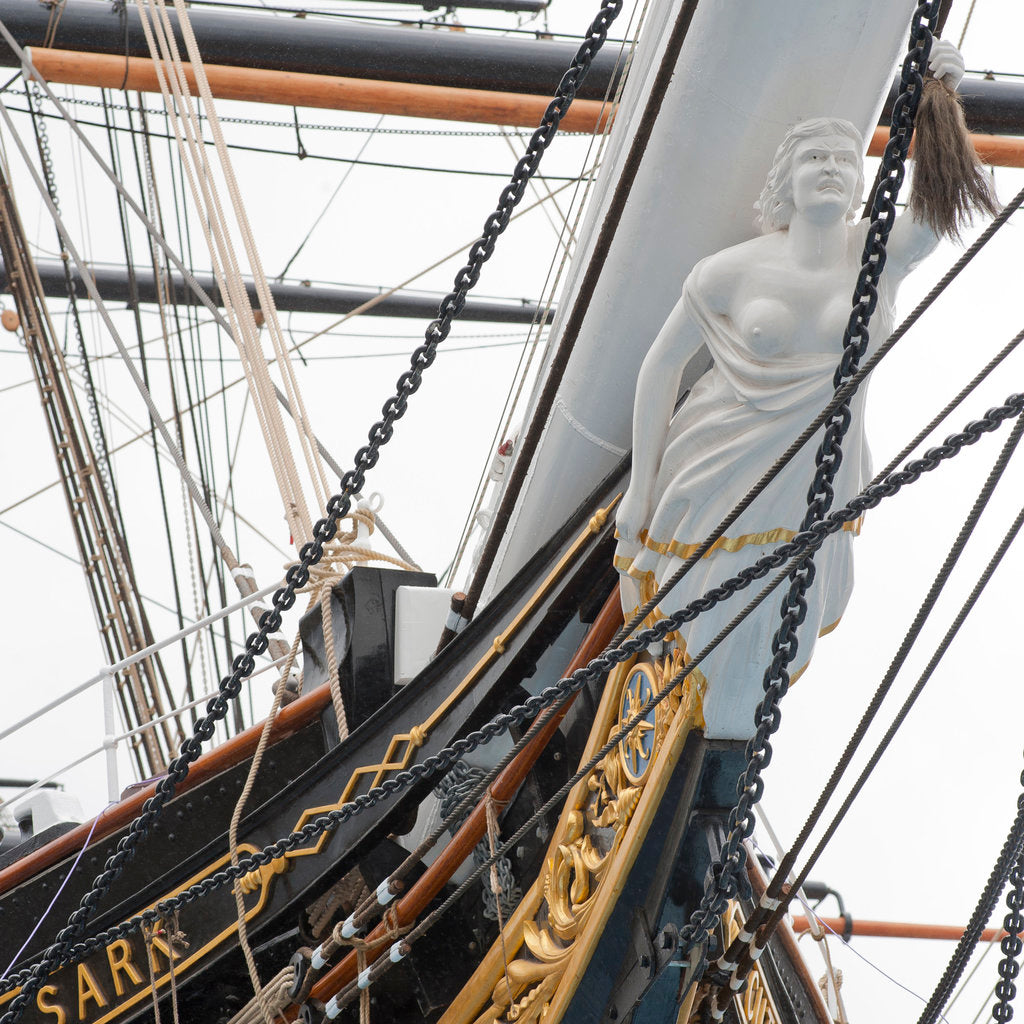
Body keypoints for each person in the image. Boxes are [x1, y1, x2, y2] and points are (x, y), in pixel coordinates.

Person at [614, 39, 979, 739]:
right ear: (787, 176)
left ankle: (714, 741)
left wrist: (938, 102)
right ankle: (674, 734)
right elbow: (662, 368)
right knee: (693, 612)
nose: (833, 171)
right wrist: (641, 484)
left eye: (846, 162)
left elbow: (938, 213)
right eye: (816, 159)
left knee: (771, 620)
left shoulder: (875, 256)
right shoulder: (729, 270)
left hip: (818, 475)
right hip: (714, 464)